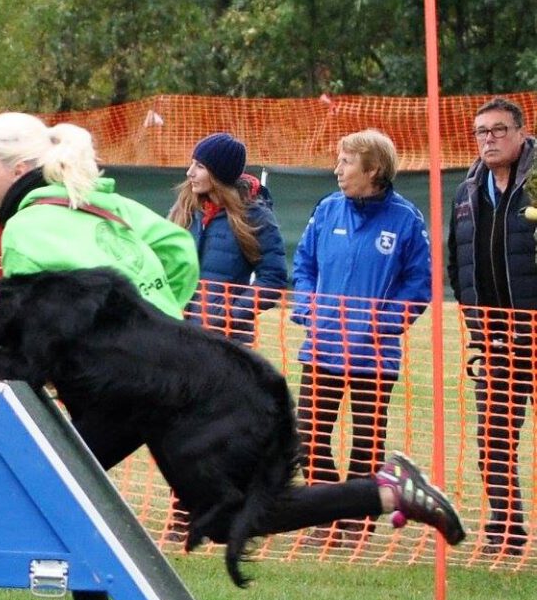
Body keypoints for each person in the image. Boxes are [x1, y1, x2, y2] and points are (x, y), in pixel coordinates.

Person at [0, 112, 464, 600]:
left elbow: (39, 327)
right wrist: (162, 316)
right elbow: (173, 247)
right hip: (167, 376)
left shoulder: (27, 226)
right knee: (229, 513)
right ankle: (387, 490)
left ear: (19, 168)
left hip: (148, 387)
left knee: (66, 487)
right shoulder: (98, 201)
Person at [290, 129, 432, 544]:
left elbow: (417, 285)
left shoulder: (407, 220)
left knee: (366, 441)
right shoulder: (328, 209)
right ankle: (328, 512)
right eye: (339, 160)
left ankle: (358, 521)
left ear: (373, 169)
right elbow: (304, 265)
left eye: (347, 161)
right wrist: (308, 308)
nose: (337, 169)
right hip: (321, 346)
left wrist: (378, 325)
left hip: (374, 354)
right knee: (308, 436)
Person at [448, 96, 537, 556]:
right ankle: (505, 533)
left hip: (536, 331)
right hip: (495, 338)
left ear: (522, 133)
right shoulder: (466, 191)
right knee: (493, 442)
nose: (489, 139)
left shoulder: (536, 184)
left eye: (499, 130)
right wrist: (476, 323)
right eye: (482, 131)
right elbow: (456, 262)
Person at [168, 132, 288, 345]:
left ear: (219, 174)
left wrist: (231, 315)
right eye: (192, 164)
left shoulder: (255, 216)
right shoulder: (184, 208)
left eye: (200, 166)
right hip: (177, 337)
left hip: (226, 344)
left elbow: (273, 277)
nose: (190, 172)